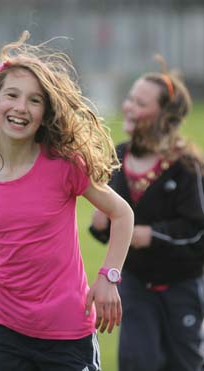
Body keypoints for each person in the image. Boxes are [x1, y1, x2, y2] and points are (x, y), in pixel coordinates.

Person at [0, 31, 134, 371]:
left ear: (45, 112)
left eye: (34, 100)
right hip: (6, 329)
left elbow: (122, 213)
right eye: (12, 95)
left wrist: (108, 276)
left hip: (68, 331)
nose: (20, 108)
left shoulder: (64, 166)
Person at [89, 56, 204, 371]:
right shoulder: (118, 157)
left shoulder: (186, 167)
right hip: (135, 284)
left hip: (182, 286)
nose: (128, 106)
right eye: (129, 98)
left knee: (184, 363)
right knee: (137, 360)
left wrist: (151, 235)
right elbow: (110, 228)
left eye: (140, 103)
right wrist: (99, 226)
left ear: (164, 117)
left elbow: (196, 232)